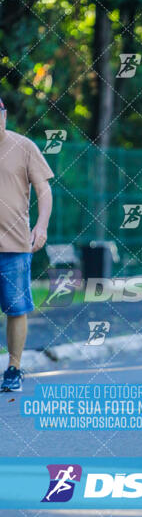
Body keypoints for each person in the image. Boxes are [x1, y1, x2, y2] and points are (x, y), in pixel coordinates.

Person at [0, 97, 54, 392]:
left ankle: (14, 368)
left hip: (15, 245)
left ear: (5, 115)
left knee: (16, 308)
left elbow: (44, 191)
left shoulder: (23, 147)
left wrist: (41, 226)